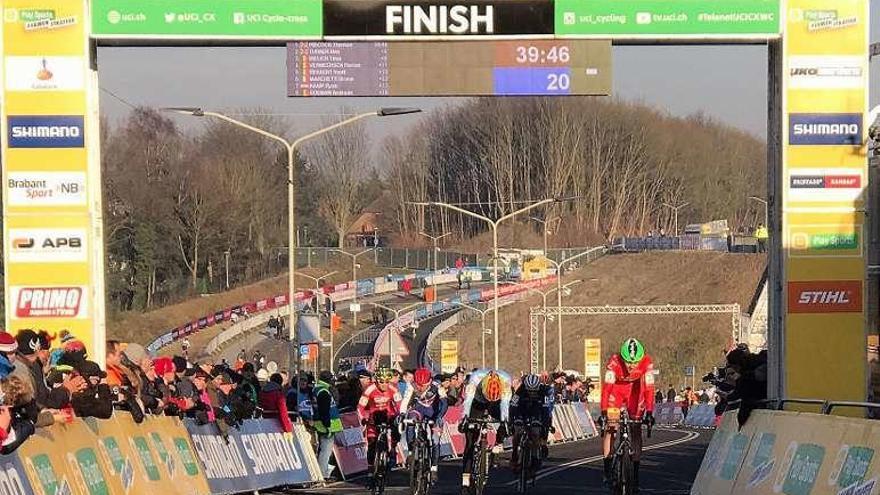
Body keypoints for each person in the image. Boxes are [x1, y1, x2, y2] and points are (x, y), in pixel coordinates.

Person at [599, 338, 656, 489]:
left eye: (635, 363)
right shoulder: (614, 362)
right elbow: (606, 389)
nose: (631, 366)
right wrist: (604, 411)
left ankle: (635, 474)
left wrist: (649, 412)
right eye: (628, 362)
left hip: (635, 393)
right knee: (611, 428)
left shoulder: (646, 362)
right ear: (622, 358)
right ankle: (607, 469)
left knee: (636, 429)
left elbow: (649, 389)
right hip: (616, 392)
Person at [459, 368, 512, 493]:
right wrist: (465, 418)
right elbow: (467, 402)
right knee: (470, 442)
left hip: (497, 403)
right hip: (477, 403)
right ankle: (465, 481)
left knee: (506, 423)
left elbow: (505, 406)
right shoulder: (475, 378)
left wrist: (504, 422)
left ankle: (497, 446)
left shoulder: (506, 381)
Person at [400, 367, 447, 483]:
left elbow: (444, 404)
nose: (420, 388)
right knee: (410, 419)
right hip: (418, 410)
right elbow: (405, 400)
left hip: (434, 412)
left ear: (430, 382)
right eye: (418, 385)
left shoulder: (437, 386)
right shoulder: (411, 385)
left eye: (423, 385)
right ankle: (411, 452)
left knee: (435, 439)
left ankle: (434, 467)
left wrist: (439, 417)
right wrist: (401, 413)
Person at [357, 367, 401, 488]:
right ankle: (370, 474)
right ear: (376, 381)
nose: (384, 385)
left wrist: (398, 416)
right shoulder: (369, 389)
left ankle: (392, 451)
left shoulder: (393, 389)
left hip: (388, 415)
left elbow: (399, 406)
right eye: (382, 382)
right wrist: (363, 419)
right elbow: (360, 407)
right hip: (373, 417)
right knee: (371, 445)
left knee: (396, 429)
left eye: (387, 382)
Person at [510, 374, 553, 471]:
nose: (531, 394)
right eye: (529, 391)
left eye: (534, 391)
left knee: (535, 433)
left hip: (536, 411)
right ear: (526, 387)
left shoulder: (543, 392)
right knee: (517, 431)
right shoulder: (520, 390)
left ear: (538, 387)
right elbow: (512, 406)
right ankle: (514, 452)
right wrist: (511, 422)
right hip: (522, 410)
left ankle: (534, 457)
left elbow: (546, 411)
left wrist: (545, 427)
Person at [313, 370, 343, 481]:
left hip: (322, 424)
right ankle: (323, 475)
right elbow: (324, 410)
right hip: (326, 425)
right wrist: (328, 426)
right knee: (325, 451)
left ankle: (323, 473)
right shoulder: (323, 391)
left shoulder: (318, 389)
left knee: (324, 450)